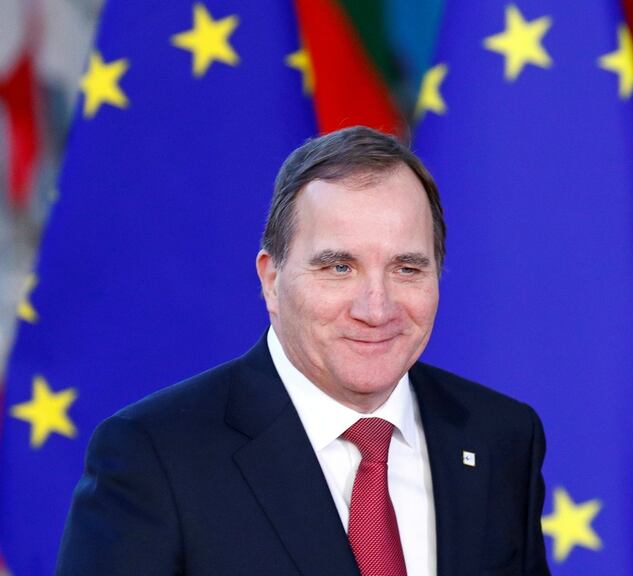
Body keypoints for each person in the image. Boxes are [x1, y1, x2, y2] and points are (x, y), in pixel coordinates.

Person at [56, 126, 550, 576]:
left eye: (406, 269)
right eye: (339, 268)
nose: (376, 309)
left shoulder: (499, 436)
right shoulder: (154, 455)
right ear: (272, 280)